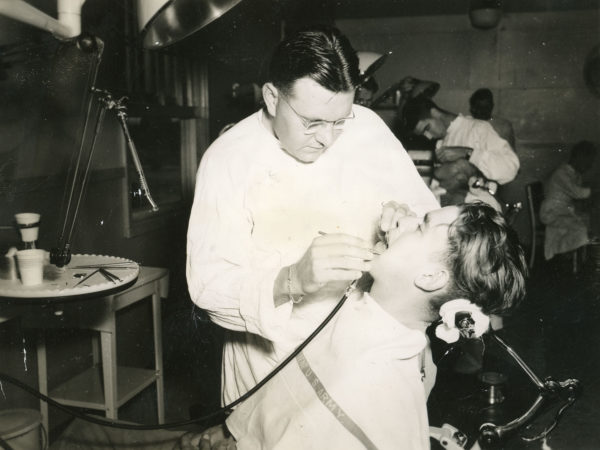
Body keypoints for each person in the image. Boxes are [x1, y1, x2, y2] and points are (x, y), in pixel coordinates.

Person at [186, 25, 439, 406]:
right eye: (312, 123)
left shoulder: (366, 128)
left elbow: (426, 215)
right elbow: (208, 286)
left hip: (368, 355)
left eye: (339, 121)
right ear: (272, 97)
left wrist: (403, 218)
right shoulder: (228, 159)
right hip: (275, 366)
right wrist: (291, 281)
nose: (327, 138)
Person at [182, 202, 527, 450]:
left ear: (430, 277)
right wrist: (235, 432)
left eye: (420, 225)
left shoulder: (375, 380)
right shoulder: (384, 325)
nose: (399, 220)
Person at [402, 96, 520, 209]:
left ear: (435, 113)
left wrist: (467, 153)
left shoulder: (477, 128)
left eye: (426, 128)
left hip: (482, 212)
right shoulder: (442, 142)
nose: (428, 137)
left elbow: (510, 169)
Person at [540, 140, 598, 260]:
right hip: (551, 212)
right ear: (578, 157)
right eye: (587, 163)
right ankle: (556, 252)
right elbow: (577, 193)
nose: (589, 166)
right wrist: (595, 190)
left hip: (562, 210)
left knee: (587, 221)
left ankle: (576, 256)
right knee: (581, 230)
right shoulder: (562, 173)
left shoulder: (575, 174)